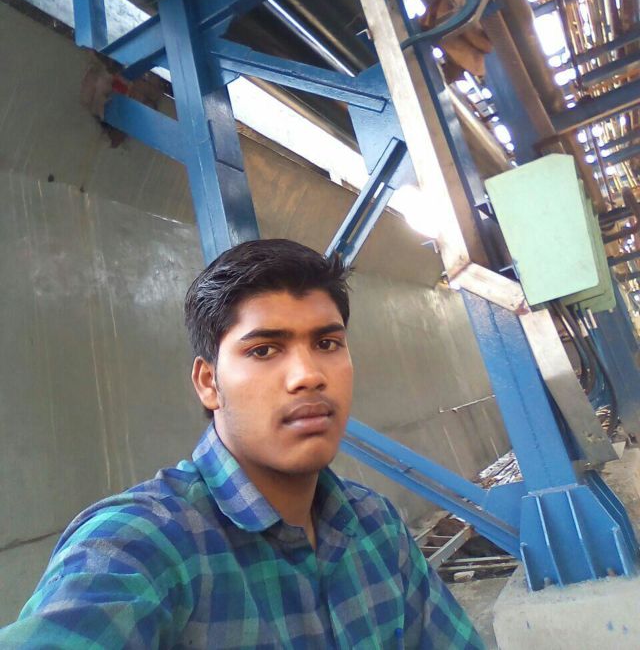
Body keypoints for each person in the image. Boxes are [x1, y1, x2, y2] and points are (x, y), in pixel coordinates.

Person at [0, 239, 484, 648]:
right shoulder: (141, 546)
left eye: (327, 344)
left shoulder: (377, 527)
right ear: (208, 382)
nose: (308, 375)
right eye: (264, 350)